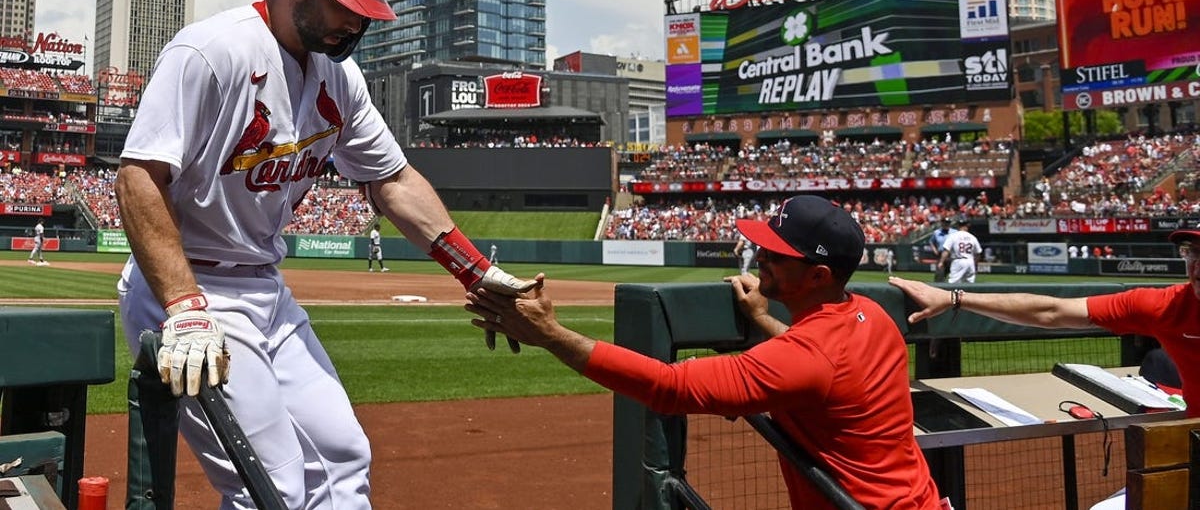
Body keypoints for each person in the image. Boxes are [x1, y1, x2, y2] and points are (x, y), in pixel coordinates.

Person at [114, 0, 539, 510]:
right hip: (188, 286)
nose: (355, 23)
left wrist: (475, 270)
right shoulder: (213, 51)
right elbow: (138, 176)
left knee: (344, 458)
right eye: (344, 5)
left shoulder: (342, 79)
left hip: (265, 288)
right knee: (272, 486)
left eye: (366, 11)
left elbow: (391, 180)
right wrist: (184, 306)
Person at [467, 195, 944, 509]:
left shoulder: (809, 357)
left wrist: (552, 335)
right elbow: (820, 365)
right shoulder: (869, 316)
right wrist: (760, 317)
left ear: (819, 276)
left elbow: (667, 386)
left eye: (775, 255)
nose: (759, 258)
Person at [888, 226, 1200, 510]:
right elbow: (1052, 311)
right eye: (1193, 253)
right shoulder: (1169, 305)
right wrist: (954, 298)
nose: (1196, 266)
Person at [937, 218, 981, 284]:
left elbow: (946, 250)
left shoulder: (953, 236)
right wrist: (975, 264)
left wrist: (941, 262)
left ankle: (954, 294)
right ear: (967, 226)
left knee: (953, 283)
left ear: (958, 226)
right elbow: (978, 253)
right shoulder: (972, 237)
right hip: (970, 261)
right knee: (970, 284)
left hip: (958, 261)